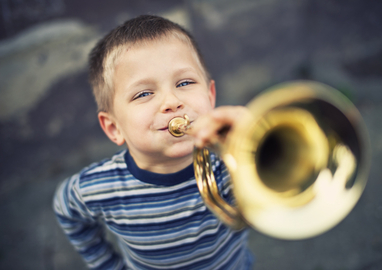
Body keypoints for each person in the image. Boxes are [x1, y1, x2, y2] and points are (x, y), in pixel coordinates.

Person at [53, 14, 254, 269]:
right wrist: (106, 264)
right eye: (144, 93)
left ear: (210, 97)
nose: (172, 102)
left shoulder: (231, 165)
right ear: (114, 128)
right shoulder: (97, 188)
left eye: (185, 82)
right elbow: (66, 209)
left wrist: (256, 143)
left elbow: (277, 211)